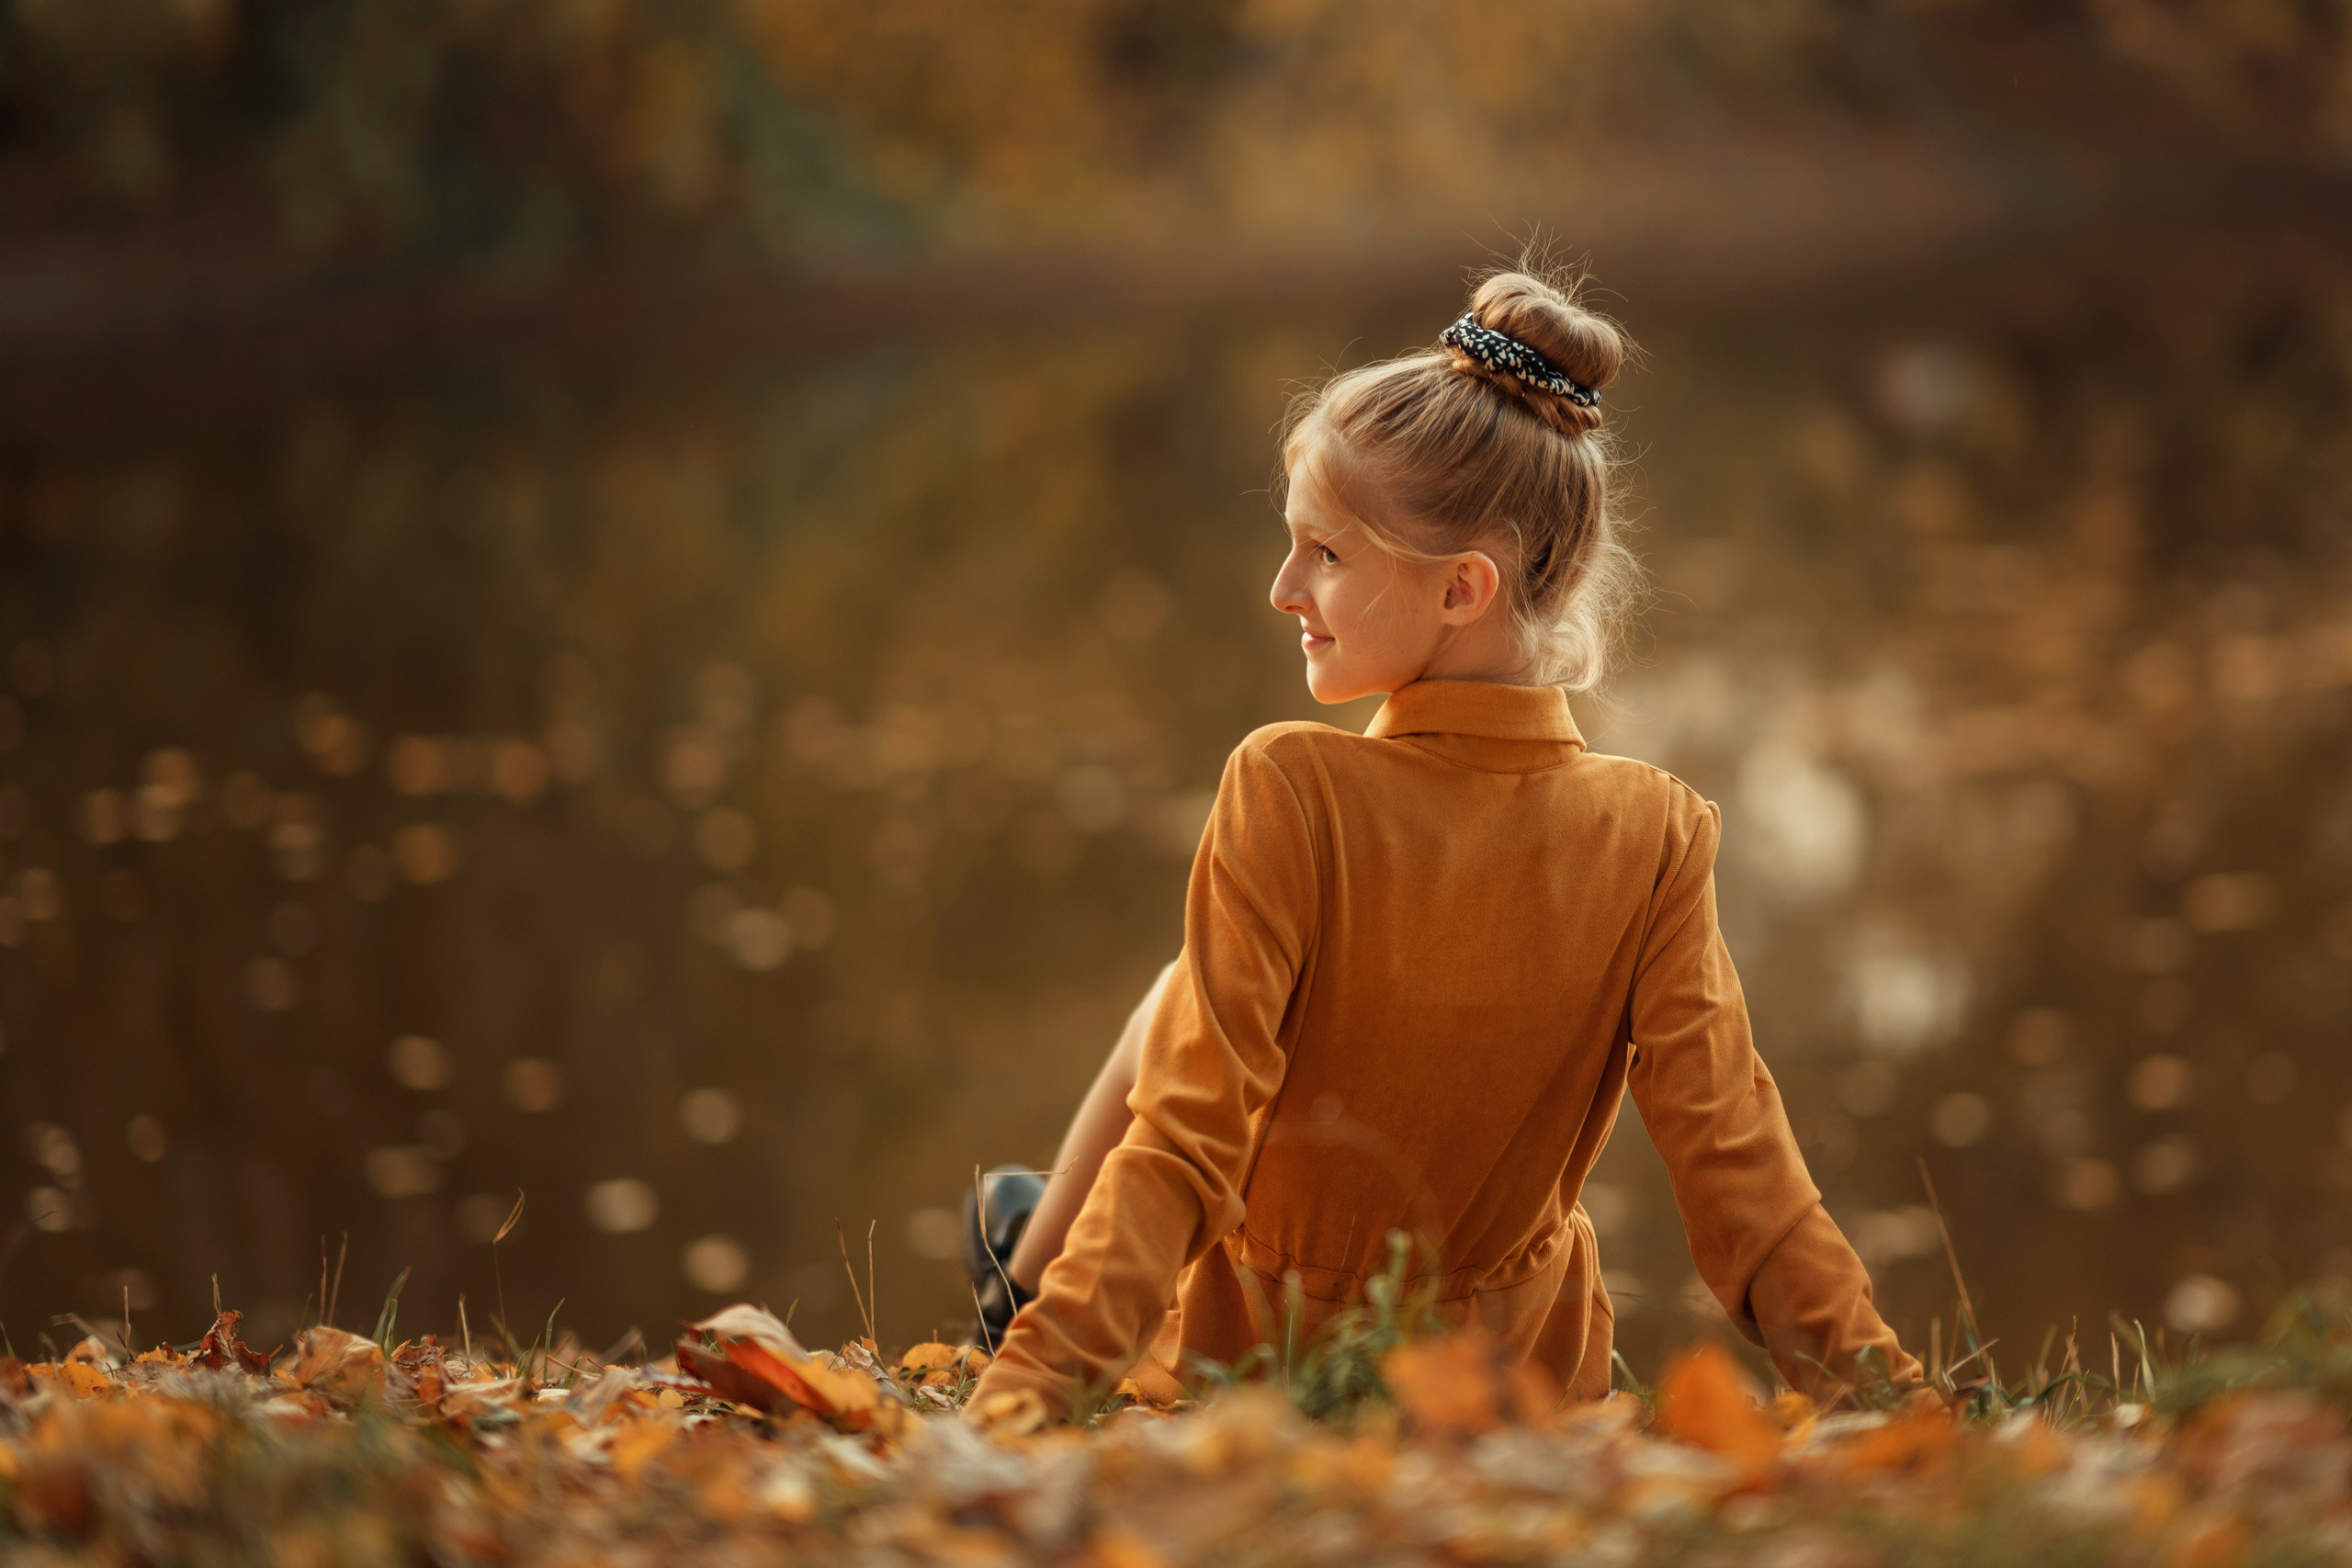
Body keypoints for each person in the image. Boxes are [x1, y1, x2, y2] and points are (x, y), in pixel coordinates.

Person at [961, 262, 1922, 1421]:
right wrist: (1896, 1404)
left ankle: (1018, 1294)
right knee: (1186, 991)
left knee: (1184, 1008)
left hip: (1263, 1363)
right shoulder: (1655, 832)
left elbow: (1187, 1142)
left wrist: (1024, 1399)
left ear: (1464, 588)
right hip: (1510, 1385)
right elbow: (1739, 1176)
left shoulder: (1290, 788)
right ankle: (1021, 1278)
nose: (1282, 589)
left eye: (1325, 554)